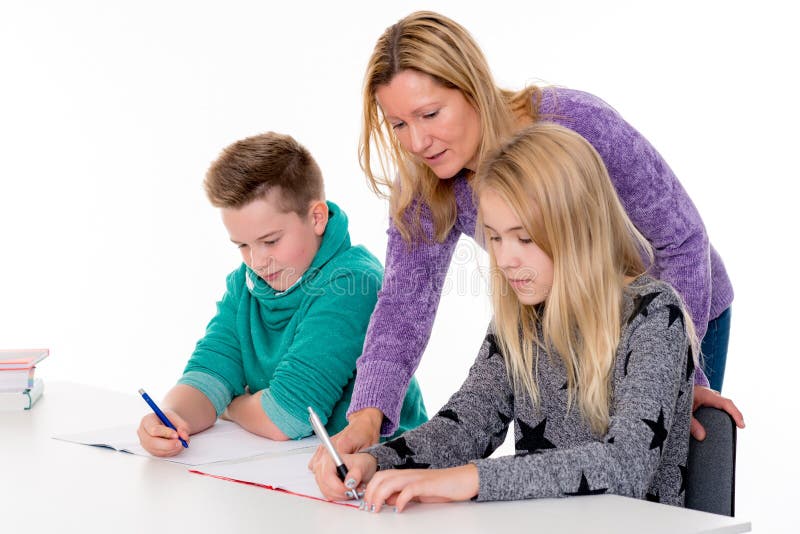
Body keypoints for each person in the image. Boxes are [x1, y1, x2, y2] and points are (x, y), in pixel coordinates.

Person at [309, 11, 743, 475]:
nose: (416, 141)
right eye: (397, 124)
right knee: (576, 474)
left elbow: (681, 240)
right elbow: (403, 301)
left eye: (430, 114)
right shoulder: (424, 183)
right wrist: (367, 417)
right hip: (563, 321)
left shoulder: (576, 122)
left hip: (674, 310)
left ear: (472, 86)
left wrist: (680, 373)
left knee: (648, 470)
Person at [316, 123, 697, 510]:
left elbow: (626, 467)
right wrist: (375, 461)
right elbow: (464, 426)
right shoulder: (522, 316)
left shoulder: (653, 315)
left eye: (525, 239)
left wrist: (471, 479)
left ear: (579, 229)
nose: (504, 259)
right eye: (495, 238)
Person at [137, 132, 427, 456]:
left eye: (271, 241)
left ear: (316, 218)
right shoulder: (245, 283)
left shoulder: (354, 284)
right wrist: (172, 417)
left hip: (384, 465)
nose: (257, 262)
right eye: (243, 245)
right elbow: (208, 373)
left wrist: (228, 404)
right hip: (296, 466)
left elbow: (286, 418)